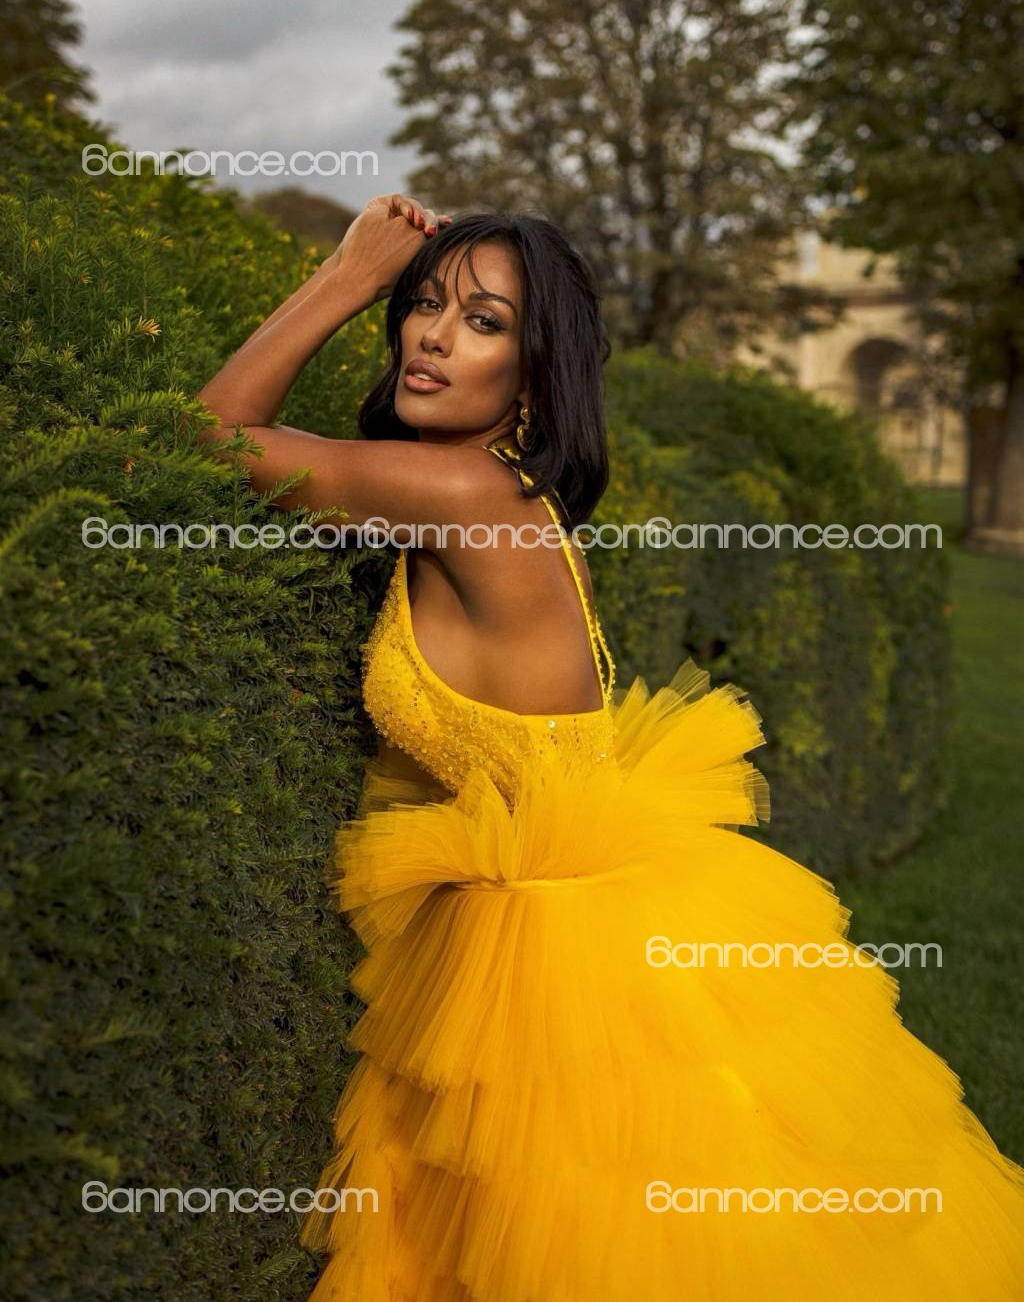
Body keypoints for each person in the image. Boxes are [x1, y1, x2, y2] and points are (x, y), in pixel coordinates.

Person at [198, 194, 1024, 1302]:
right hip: (586, 910)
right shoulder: (506, 493)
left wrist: (348, 275)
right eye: (423, 303)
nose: (433, 335)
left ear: (533, 381)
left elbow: (207, 437)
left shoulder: (458, 492)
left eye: (484, 321)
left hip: (561, 957)